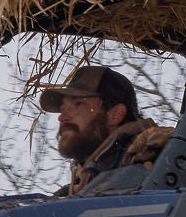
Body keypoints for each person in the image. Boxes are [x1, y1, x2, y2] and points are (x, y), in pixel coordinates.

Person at [41, 65, 160, 195]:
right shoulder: (68, 195)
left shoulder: (155, 163)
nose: (62, 117)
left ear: (115, 115)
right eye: (63, 108)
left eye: (79, 104)